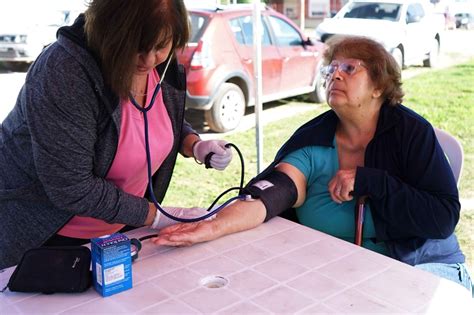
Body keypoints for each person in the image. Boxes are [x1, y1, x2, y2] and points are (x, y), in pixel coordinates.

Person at [153, 35, 473, 293]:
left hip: (424, 266)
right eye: (331, 69)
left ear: (379, 86)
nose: (335, 74)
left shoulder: (410, 133)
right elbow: (270, 195)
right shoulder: (315, 139)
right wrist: (210, 226)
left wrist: (372, 181)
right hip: (351, 273)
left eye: (350, 68)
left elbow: (442, 217)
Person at [0, 0, 233, 269]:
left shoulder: (161, 63)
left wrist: (194, 145)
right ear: (108, 32)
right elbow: (71, 187)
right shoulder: (65, 72)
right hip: (48, 236)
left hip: (121, 227)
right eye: (136, 48)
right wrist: (157, 216)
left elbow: (157, 116)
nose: (148, 60)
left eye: (159, 47)